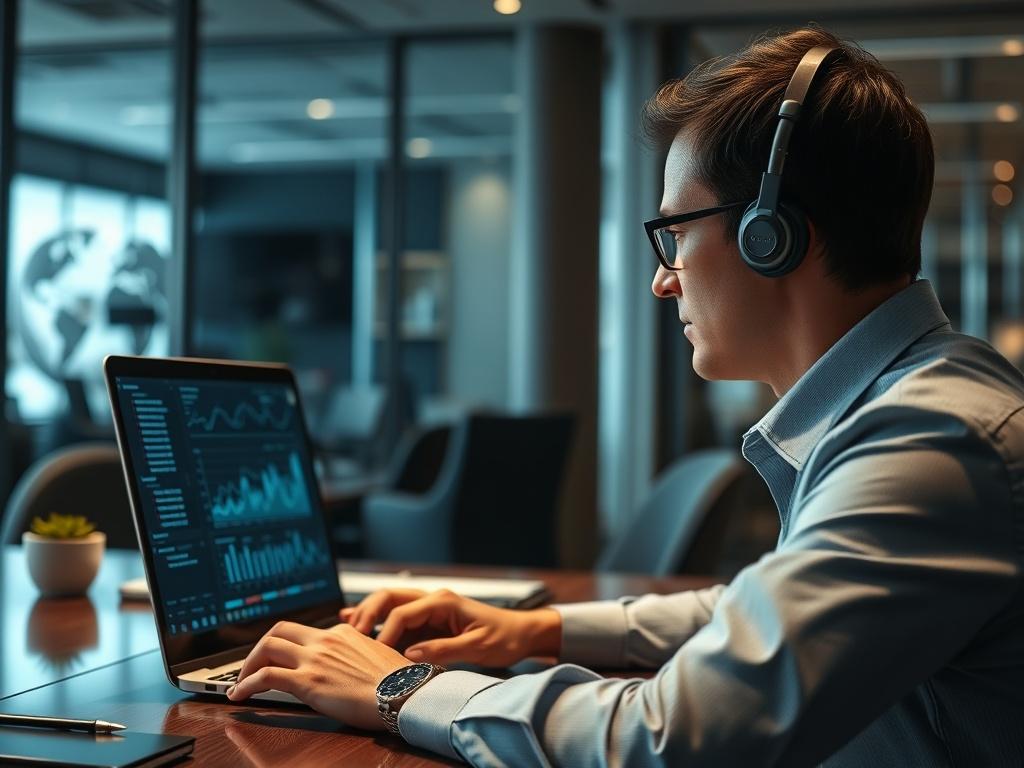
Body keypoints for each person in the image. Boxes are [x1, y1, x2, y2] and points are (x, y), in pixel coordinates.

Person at [226, 26, 1024, 766]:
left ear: (772, 235)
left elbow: (672, 737)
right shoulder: (914, 403)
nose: (662, 280)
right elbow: (767, 619)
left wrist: (401, 689)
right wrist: (534, 628)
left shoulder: (931, 440)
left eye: (676, 234)